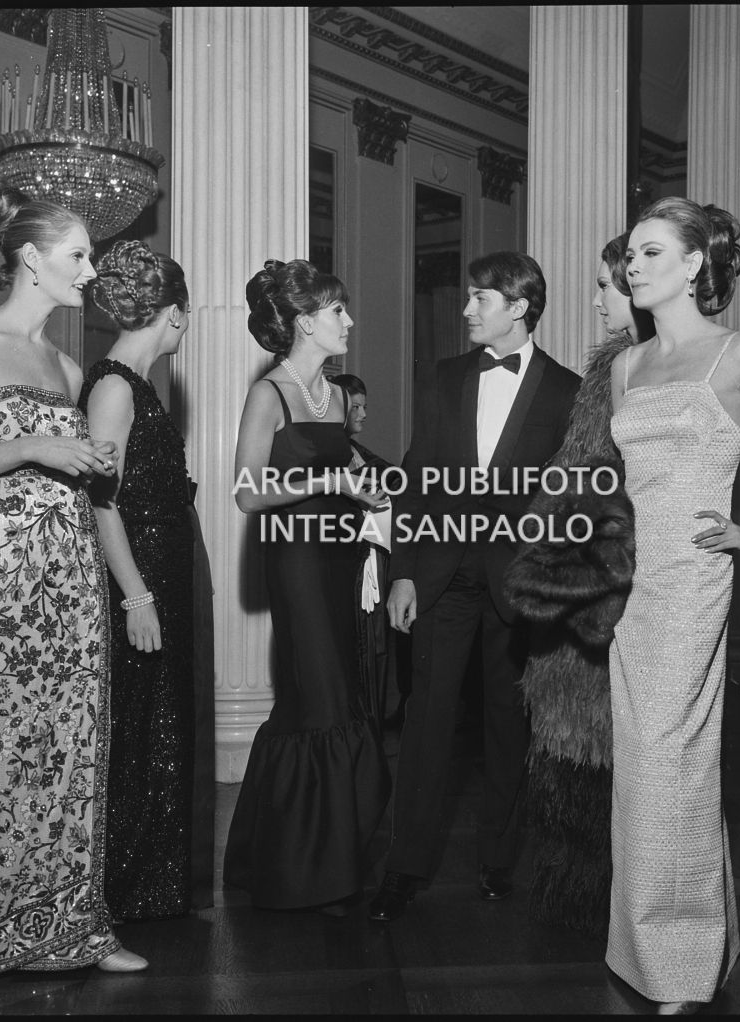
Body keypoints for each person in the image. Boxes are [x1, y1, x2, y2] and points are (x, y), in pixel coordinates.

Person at [0, 182, 147, 989]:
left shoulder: (66, 364)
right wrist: (28, 447)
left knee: (70, 754)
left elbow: (75, 479)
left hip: (71, 583)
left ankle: (71, 925)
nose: (90, 272)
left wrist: (91, 464)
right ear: (31, 258)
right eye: (78, 256)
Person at [606, 198, 740, 1014]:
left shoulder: (739, 353)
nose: (635, 265)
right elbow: (624, 484)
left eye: (652, 252)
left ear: (695, 263)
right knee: (643, 764)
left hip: (693, 579)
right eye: (631, 254)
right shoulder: (628, 365)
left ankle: (682, 962)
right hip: (631, 583)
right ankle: (647, 947)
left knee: (671, 761)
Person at [369, 251, 582, 922]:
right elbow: (415, 476)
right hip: (440, 575)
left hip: (518, 586)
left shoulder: (568, 390)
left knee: (506, 727)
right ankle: (404, 868)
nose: (465, 310)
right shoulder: (443, 377)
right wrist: (403, 571)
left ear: (518, 307)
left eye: (479, 299)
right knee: (425, 723)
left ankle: (498, 860)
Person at [223, 259, 391, 916]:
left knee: (338, 695)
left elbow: (347, 469)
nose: (349, 320)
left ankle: (325, 857)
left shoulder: (336, 397)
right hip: (294, 562)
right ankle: (309, 870)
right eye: (336, 311)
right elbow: (246, 494)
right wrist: (329, 483)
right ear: (303, 322)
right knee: (318, 697)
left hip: (340, 557)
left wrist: (367, 491)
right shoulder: (270, 393)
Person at [502, 231, 653, 938]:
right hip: (594, 578)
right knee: (586, 743)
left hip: (606, 582)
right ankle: (600, 901)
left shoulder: (626, 367)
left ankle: (605, 902)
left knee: (595, 743)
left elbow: (586, 479)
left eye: (604, 285)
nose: (596, 300)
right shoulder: (613, 370)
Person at [79, 239, 214, 921]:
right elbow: (102, 503)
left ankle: (153, 885)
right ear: (175, 313)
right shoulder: (113, 386)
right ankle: (125, 889)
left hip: (163, 572)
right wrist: (136, 595)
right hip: (141, 580)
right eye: (186, 315)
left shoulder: (136, 381)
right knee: (140, 729)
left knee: (162, 723)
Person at [329, 373, 397, 734]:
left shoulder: (362, 454)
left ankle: (373, 730)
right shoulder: (329, 456)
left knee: (376, 647)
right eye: (356, 407)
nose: (364, 414)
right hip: (345, 563)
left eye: (365, 406)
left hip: (375, 560)